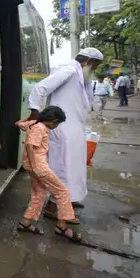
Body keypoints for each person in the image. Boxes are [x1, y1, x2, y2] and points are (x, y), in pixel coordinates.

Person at [27, 47, 103, 223]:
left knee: (75, 166)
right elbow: (40, 88)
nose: (94, 70)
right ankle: (53, 208)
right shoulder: (68, 70)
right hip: (62, 130)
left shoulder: (80, 76)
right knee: (62, 167)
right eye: (95, 65)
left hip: (74, 129)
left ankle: (68, 199)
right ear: (88, 62)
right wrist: (35, 114)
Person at [16, 106, 82, 242]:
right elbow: (29, 145)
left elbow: (17, 123)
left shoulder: (32, 124)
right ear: (54, 120)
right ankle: (62, 226)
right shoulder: (40, 127)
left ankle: (25, 223)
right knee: (62, 192)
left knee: (39, 194)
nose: (56, 126)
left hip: (31, 166)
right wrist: (35, 168)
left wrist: (28, 118)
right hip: (39, 167)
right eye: (57, 124)